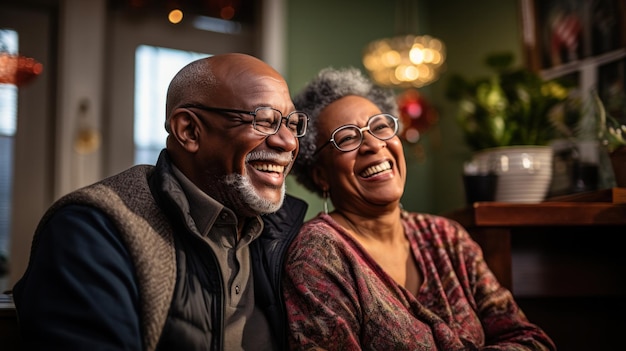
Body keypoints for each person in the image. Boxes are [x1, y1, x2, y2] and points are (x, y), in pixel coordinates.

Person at [12, 53, 309, 350]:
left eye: (292, 124)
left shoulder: (287, 235)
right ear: (189, 131)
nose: (288, 142)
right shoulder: (92, 232)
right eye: (264, 121)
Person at [282, 67, 556, 350]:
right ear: (321, 175)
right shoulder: (316, 256)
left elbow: (531, 340)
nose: (374, 145)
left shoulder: (446, 238)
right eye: (348, 138)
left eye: (380, 127)